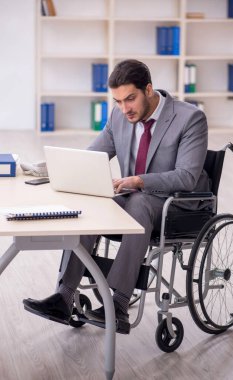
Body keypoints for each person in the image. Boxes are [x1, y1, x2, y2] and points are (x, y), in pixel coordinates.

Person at [23, 59, 210, 334]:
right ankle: (63, 297)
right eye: (118, 101)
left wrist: (137, 180)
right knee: (93, 202)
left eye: (130, 99)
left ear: (148, 89)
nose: (124, 108)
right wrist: (44, 167)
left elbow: (186, 176)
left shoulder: (190, 118)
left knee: (139, 201)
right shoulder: (118, 115)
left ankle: (119, 304)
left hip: (176, 202)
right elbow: (91, 157)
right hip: (134, 197)